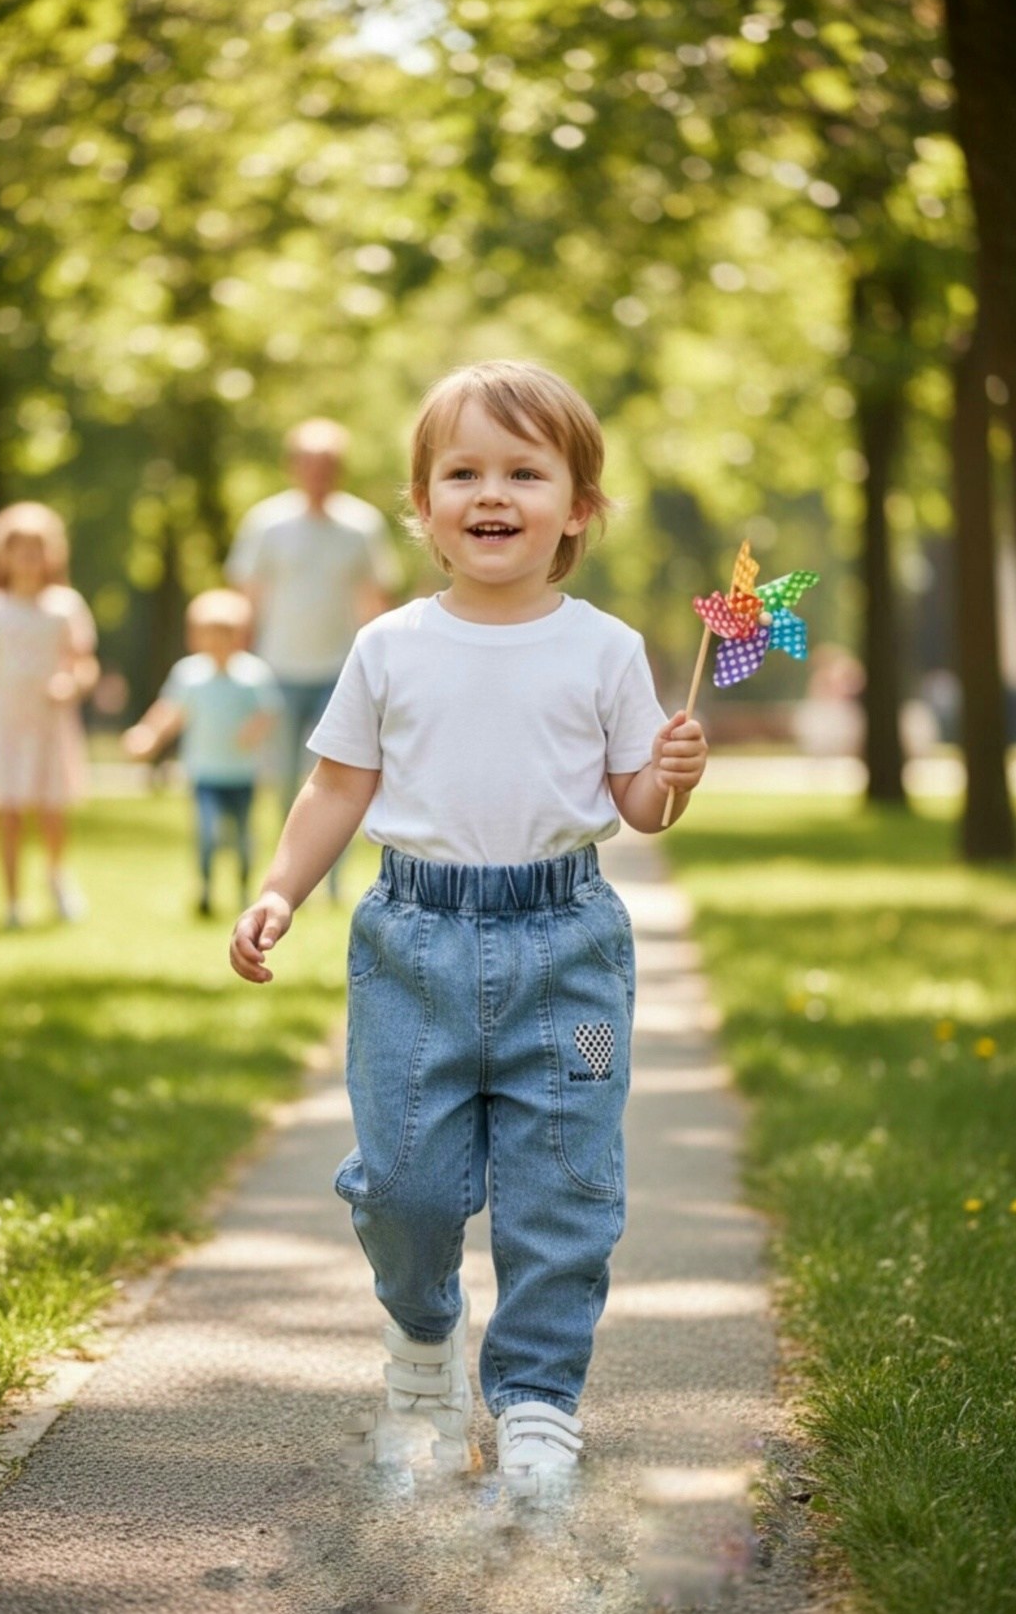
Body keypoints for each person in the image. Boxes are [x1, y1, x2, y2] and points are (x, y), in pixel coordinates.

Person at [229, 361, 708, 1493]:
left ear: (579, 508)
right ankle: (423, 1342)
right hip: (412, 947)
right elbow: (337, 788)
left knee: (564, 1182)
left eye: (524, 472)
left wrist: (675, 772)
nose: (492, 494)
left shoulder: (607, 648)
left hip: (568, 951)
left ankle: (538, 1396)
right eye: (464, 472)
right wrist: (280, 889)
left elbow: (639, 807)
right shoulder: (391, 646)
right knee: (404, 1181)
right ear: (423, 506)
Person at [226, 418, 401, 846]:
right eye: (309, 463)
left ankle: (333, 875)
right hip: (276, 669)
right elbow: (246, 598)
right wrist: (238, 660)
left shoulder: (362, 526)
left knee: (340, 779)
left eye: (328, 464)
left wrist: (385, 669)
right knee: (282, 775)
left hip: (340, 672)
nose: (318, 473)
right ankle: (289, 863)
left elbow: (375, 601)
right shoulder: (266, 523)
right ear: (293, 465)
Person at [0, 502, 99, 929]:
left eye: (36, 548)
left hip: (48, 726)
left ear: (52, 553)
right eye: (18, 548)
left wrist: (72, 684)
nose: (27, 558)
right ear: (2, 554)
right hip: (4, 724)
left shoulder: (65, 605)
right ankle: (13, 901)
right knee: (9, 813)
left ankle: (56, 877)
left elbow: (85, 663)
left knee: (53, 811)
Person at [122, 589, 282, 917]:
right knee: (207, 834)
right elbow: (169, 712)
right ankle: (206, 888)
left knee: (241, 837)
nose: (217, 642)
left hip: (241, 774)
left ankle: (242, 887)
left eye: (225, 634)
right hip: (204, 773)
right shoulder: (189, 675)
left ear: (240, 636)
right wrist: (147, 736)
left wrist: (253, 731)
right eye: (209, 634)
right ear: (195, 637)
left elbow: (270, 712)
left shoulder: (253, 674)